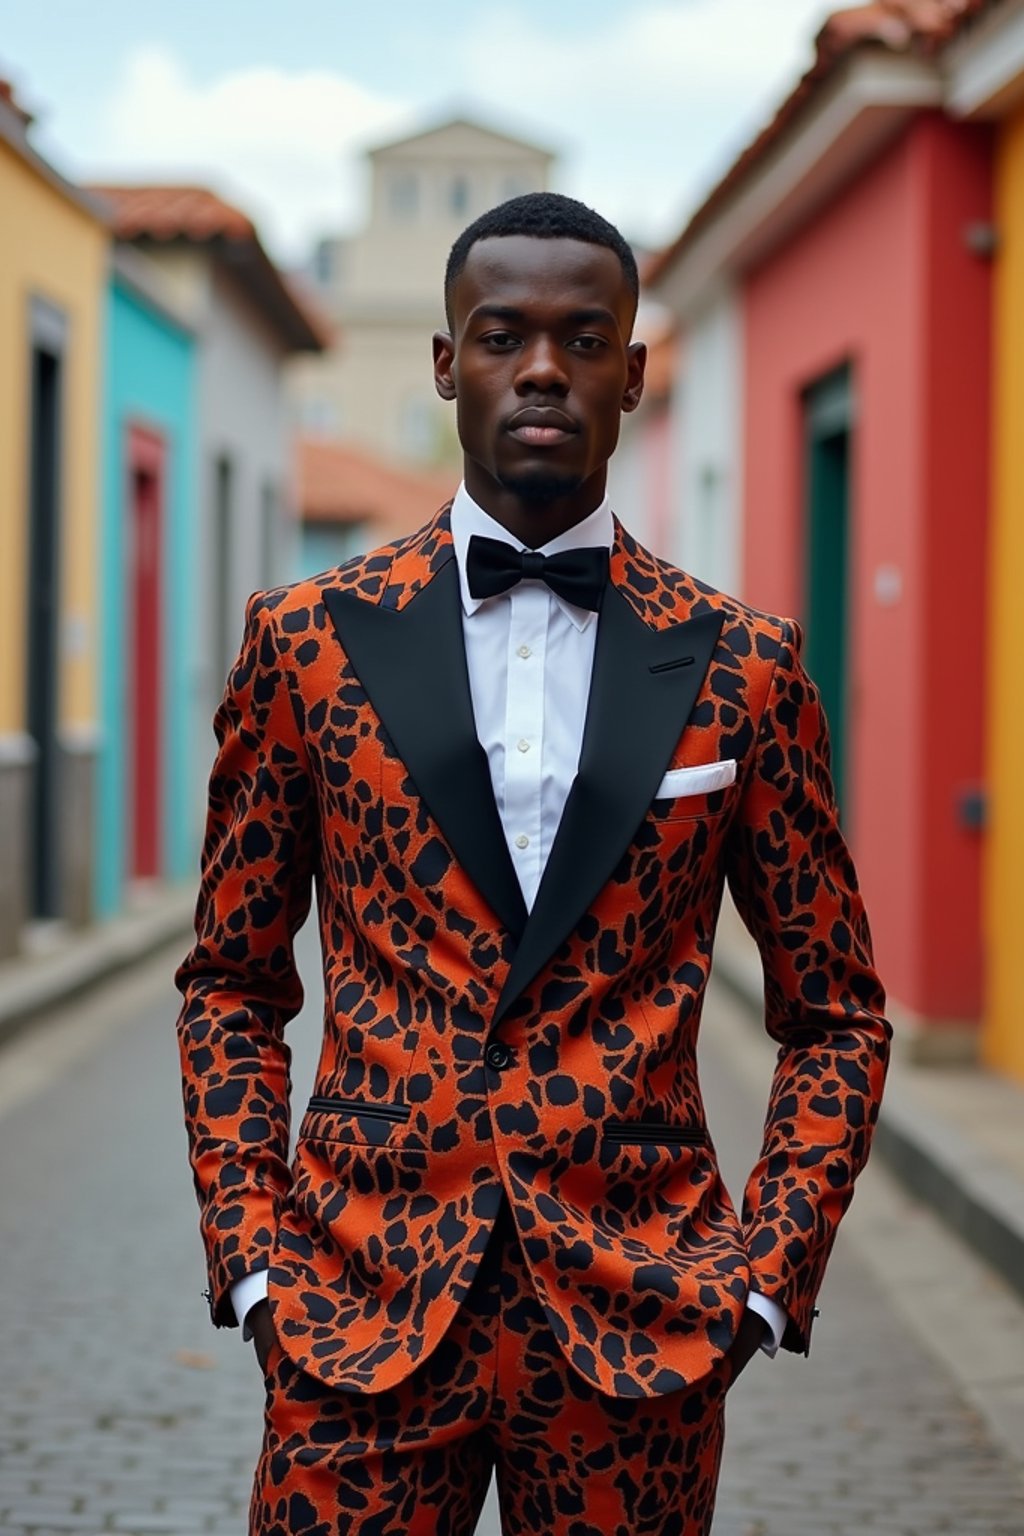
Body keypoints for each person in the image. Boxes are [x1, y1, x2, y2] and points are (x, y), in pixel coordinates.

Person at [175, 192, 890, 1536]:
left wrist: (765, 1274)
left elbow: (837, 1015)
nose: (544, 369)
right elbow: (230, 980)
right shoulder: (307, 644)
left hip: (640, 1327)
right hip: (356, 1311)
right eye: (504, 336)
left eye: (583, 338)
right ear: (447, 363)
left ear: (631, 370)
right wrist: (256, 1256)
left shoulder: (746, 665)